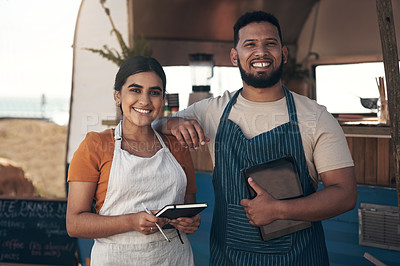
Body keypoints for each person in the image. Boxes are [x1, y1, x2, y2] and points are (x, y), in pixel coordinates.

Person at [154, 11, 357, 265]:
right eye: (249, 44)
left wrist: (280, 210)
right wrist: (172, 121)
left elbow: (345, 194)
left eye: (269, 43)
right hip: (229, 257)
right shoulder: (212, 110)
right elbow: (152, 123)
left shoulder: (315, 117)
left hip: (300, 258)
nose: (260, 52)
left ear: (283, 53)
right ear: (234, 56)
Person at [66, 56, 200, 266]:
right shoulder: (95, 145)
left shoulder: (177, 147)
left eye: (154, 92)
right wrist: (131, 221)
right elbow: (74, 224)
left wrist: (190, 222)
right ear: (118, 96)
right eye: (135, 90)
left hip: (174, 258)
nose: (145, 101)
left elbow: (189, 207)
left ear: (163, 99)